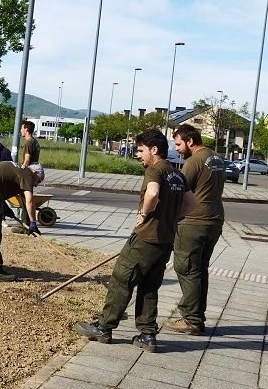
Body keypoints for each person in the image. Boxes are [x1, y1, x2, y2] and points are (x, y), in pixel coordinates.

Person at [71, 129, 196, 352]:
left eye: (141, 150)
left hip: (145, 238)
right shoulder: (176, 174)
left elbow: (152, 194)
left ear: (154, 150)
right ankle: (148, 335)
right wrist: (171, 217)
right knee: (149, 286)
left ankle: (104, 326)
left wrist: (144, 214)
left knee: (122, 279)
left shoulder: (155, 170)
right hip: (165, 241)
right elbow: (192, 204)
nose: (138, 155)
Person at [164, 124, 225, 335]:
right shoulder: (216, 158)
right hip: (214, 220)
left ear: (190, 141)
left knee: (187, 268)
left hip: (194, 222)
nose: (178, 149)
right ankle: (197, 315)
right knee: (199, 270)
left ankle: (190, 319)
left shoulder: (194, 161)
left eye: (179, 144)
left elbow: (178, 191)